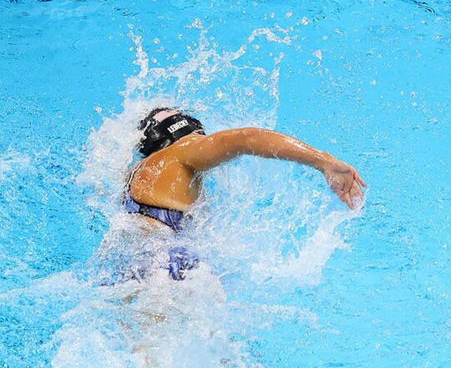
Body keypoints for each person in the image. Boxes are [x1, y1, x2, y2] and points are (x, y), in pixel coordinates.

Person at [121, 107, 366, 281]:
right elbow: (245, 139)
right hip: (168, 263)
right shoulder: (183, 150)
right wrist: (324, 161)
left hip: (134, 268)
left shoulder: (136, 177)